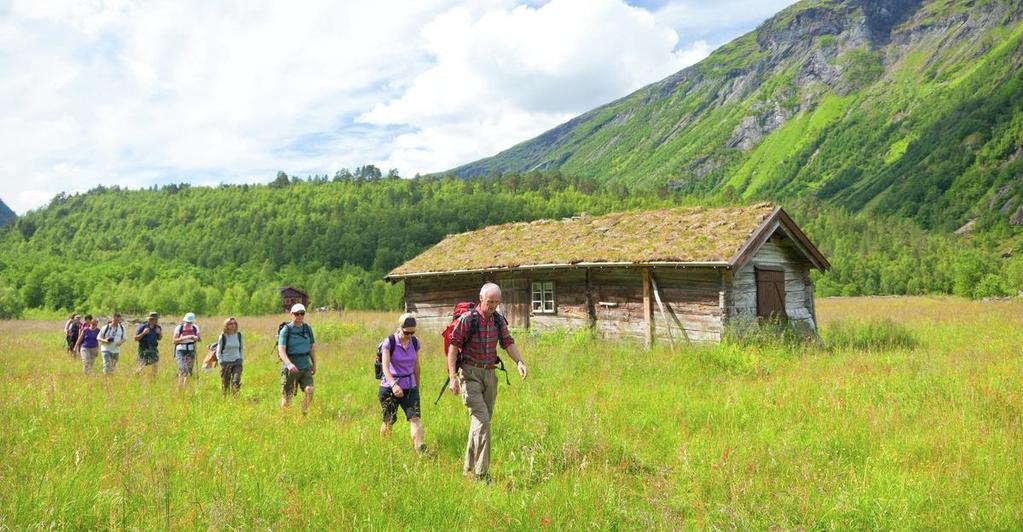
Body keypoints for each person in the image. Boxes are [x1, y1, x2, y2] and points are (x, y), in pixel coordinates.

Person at [447, 282, 528, 481]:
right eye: (490, 301)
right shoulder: (468, 319)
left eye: (497, 302)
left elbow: (507, 342)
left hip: (490, 375)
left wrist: (519, 362)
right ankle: (482, 475)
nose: (493, 306)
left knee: (480, 425)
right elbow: (454, 346)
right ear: (481, 298)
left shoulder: (498, 320)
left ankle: (468, 470)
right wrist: (452, 377)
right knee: (482, 422)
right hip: (470, 375)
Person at [379, 313, 426, 453]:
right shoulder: (389, 342)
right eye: (407, 332)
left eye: (413, 332)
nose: (409, 335)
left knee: (415, 417)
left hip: (410, 386)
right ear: (400, 328)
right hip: (389, 387)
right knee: (389, 420)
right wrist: (393, 384)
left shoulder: (415, 342)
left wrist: (417, 386)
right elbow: (385, 367)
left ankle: (420, 448)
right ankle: (384, 449)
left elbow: (417, 365)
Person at [278, 303, 316, 415]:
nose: (299, 316)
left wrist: (314, 364)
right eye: (296, 314)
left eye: (302, 313)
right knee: (287, 395)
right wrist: (289, 364)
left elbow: (311, 348)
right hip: (290, 368)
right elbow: (281, 350)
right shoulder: (286, 330)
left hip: (305, 366)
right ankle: (285, 419)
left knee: (310, 390)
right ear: (291, 314)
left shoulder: (307, 328)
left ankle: (303, 413)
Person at [215, 317, 244, 395]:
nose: (233, 325)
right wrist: (220, 361)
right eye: (230, 324)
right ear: (226, 325)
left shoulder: (239, 335)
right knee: (225, 383)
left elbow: (241, 348)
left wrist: (241, 358)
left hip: (237, 361)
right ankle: (225, 399)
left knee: (236, 380)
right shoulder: (223, 336)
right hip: (225, 362)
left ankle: (235, 398)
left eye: (234, 323)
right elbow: (219, 350)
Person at [173, 313, 202, 389]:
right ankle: (179, 388)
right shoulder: (179, 328)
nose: (189, 323)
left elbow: (199, 339)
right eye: (188, 322)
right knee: (183, 369)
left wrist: (196, 338)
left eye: (191, 322)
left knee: (189, 371)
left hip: (191, 350)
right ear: (184, 320)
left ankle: (184, 388)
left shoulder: (195, 327)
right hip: (180, 350)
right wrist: (186, 337)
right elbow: (174, 341)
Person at [134, 312, 163, 377]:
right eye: (154, 319)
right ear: (149, 320)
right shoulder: (142, 327)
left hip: (154, 348)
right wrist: (143, 333)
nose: (156, 321)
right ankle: (136, 376)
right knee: (141, 365)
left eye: (156, 319)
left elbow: (160, 338)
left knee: (155, 364)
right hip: (143, 348)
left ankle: (153, 379)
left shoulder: (158, 327)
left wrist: (159, 333)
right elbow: (135, 338)